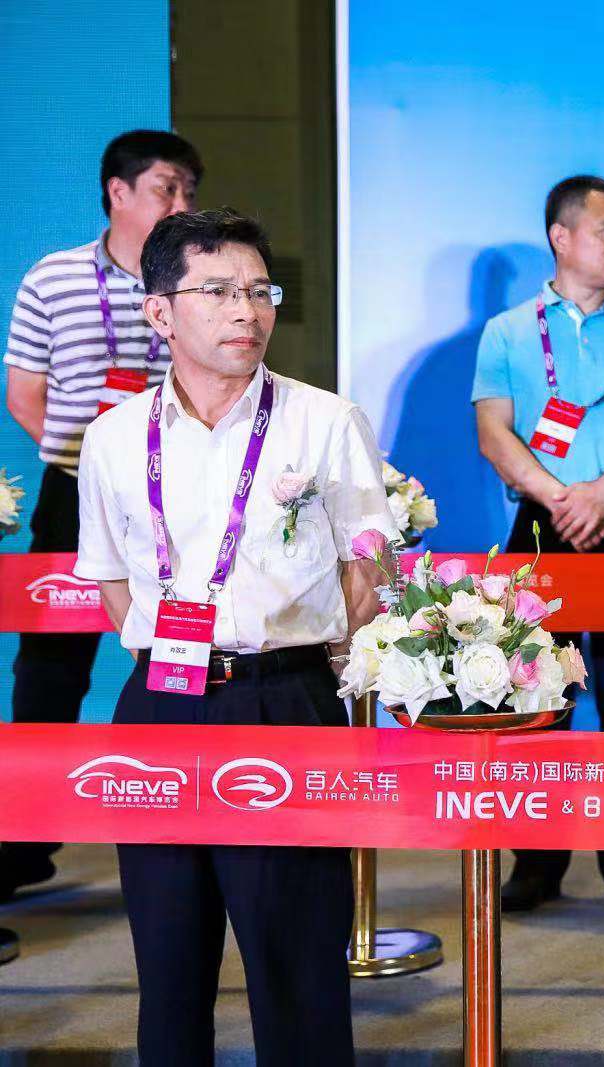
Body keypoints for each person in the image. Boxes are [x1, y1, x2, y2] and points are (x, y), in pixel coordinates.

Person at [74, 209, 396, 1066]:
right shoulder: (111, 438)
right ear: (159, 311)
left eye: (260, 291)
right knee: (169, 964)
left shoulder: (324, 420)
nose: (245, 311)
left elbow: (370, 564)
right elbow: (110, 580)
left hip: (285, 701)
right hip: (160, 706)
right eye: (217, 290)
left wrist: (304, 652)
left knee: (297, 968)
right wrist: (178, 652)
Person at [0, 129, 202, 901]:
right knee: (50, 667)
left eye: (188, 191)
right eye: (166, 188)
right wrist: (99, 470)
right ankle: (23, 841)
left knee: (182, 648)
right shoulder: (53, 277)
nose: (180, 204)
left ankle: (189, 811)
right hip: (73, 492)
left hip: (180, 496)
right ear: (118, 191)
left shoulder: (193, 279)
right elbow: (26, 393)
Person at [472, 175, 604, 912]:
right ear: (561, 238)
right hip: (541, 526)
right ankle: (537, 862)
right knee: (535, 700)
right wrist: (559, 495)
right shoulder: (508, 331)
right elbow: (493, 430)